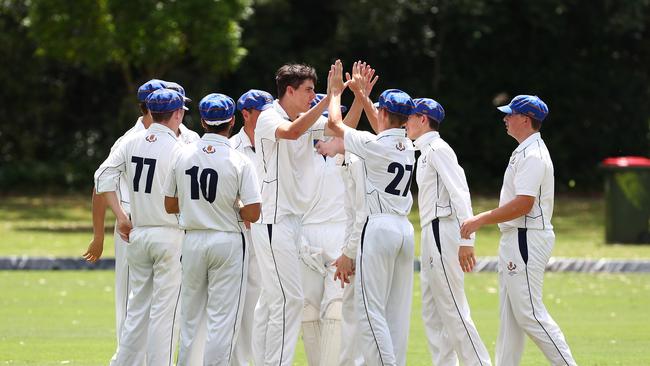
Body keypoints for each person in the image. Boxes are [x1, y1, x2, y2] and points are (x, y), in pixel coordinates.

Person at [83, 79, 198, 365]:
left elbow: (101, 179)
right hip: (170, 234)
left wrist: (122, 218)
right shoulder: (180, 148)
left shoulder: (131, 142)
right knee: (165, 312)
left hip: (137, 232)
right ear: (176, 113)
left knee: (136, 309)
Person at [460, 95, 577, 366]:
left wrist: (481, 219)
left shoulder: (533, 154)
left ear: (525, 119)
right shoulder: (524, 150)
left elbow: (524, 204)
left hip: (526, 237)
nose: (505, 118)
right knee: (510, 318)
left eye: (510, 114)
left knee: (528, 314)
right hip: (517, 237)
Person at [327, 60, 416, 366]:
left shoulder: (372, 144)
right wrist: (364, 97)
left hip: (378, 229)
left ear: (386, 113)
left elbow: (335, 126)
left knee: (369, 310)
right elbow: (383, 125)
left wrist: (337, 93)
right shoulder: (408, 145)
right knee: (396, 310)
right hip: (405, 229)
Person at [164, 93, 262, 365]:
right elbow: (253, 212)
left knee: (190, 317)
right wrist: (229, 209)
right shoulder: (238, 158)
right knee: (223, 320)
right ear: (232, 121)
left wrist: (198, 210)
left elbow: (170, 204)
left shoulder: (182, 154)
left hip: (193, 240)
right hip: (228, 240)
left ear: (203, 123)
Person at [405, 98, 491, 366]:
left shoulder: (439, 149)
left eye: (410, 117)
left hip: (445, 231)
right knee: (432, 312)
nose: (405, 122)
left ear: (422, 119)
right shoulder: (423, 151)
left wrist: (467, 239)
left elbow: (460, 192)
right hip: (431, 232)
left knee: (453, 308)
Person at [230, 89, 273, 366]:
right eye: (263, 112)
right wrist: (241, 206)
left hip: (273, 233)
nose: (270, 118)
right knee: (241, 303)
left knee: (268, 304)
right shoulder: (232, 147)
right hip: (242, 234)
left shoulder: (276, 140)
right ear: (246, 114)